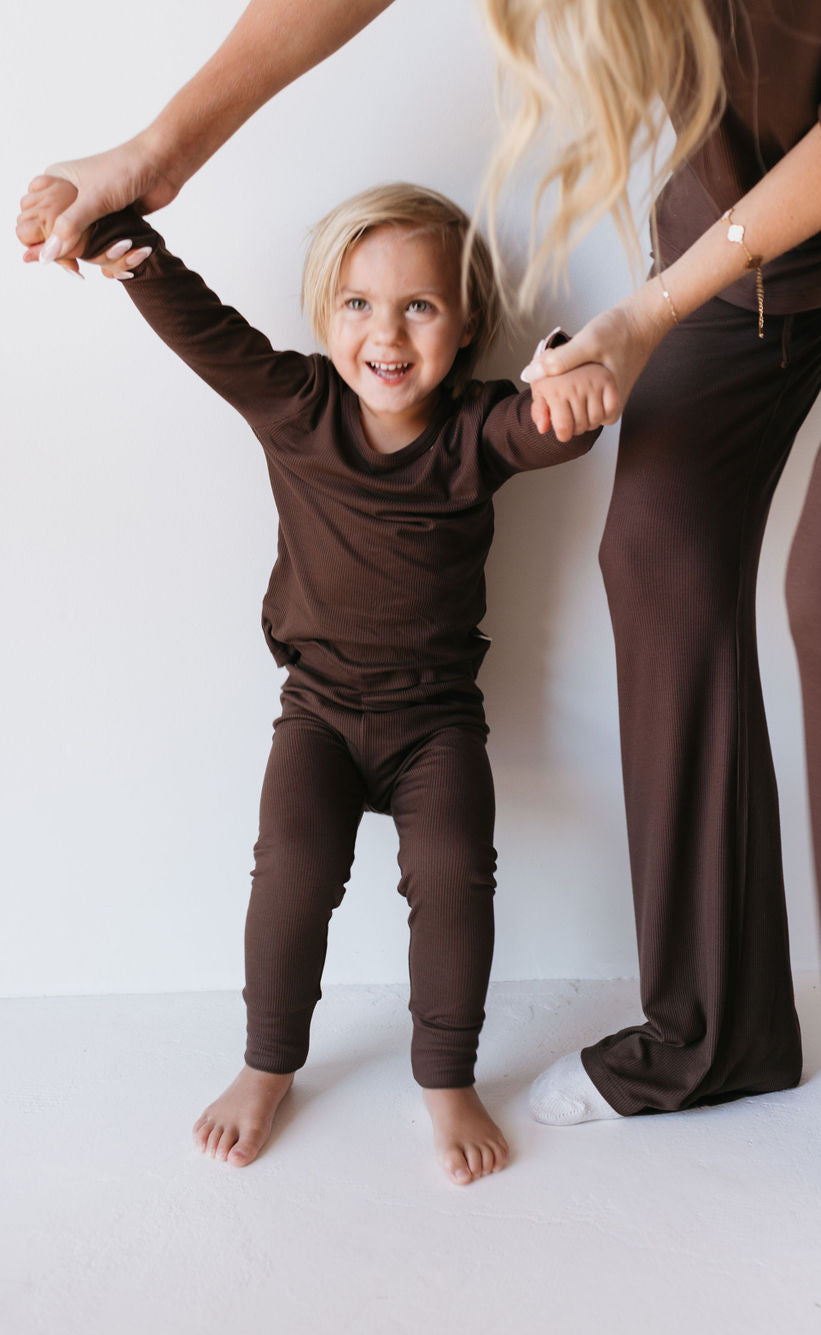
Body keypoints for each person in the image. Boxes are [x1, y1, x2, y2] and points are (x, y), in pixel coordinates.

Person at [17, 0, 821, 1277]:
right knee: (661, 551)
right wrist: (157, 153)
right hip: (746, 190)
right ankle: (710, 1033)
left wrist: (643, 310)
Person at [39, 176, 605, 1184]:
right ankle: (267, 1064)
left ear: (465, 319)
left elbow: (547, 426)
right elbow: (203, 327)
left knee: (452, 873)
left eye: (419, 305)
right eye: (358, 304)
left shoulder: (477, 428)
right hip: (318, 717)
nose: (386, 334)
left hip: (437, 724)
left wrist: (577, 385)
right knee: (291, 874)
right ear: (322, 314)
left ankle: (445, 1076)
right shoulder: (296, 403)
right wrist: (115, 233)